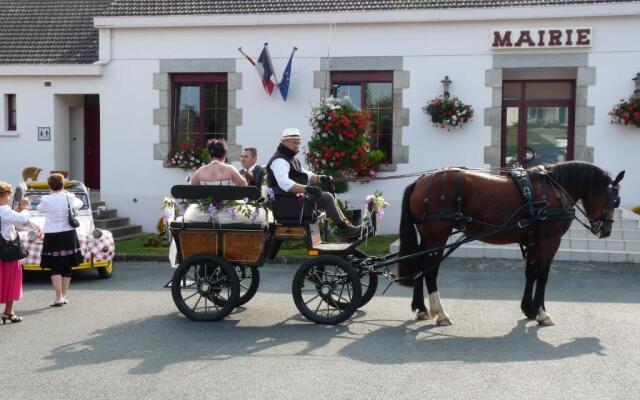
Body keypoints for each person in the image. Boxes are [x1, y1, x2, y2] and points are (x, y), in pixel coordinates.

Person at [266, 128, 361, 240]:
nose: (297, 146)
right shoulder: (279, 161)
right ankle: (345, 230)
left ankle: (346, 227)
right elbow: (285, 184)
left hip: (294, 198)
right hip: (287, 201)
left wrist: (322, 178)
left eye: (298, 143)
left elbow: (307, 175)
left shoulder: (291, 159)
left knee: (326, 197)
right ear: (284, 142)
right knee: (326, 197)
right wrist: (307, 189)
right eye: (294, 142)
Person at [37, 173, 84, 307]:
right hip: (68, 233)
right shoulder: (69, 197)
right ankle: (63, 296)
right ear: (63, 184)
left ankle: (59, 297)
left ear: (49, 185)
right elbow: (79, 204)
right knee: (67, 266)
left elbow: (39, 209)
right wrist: (67, 194)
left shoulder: (46, 199)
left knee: (55, 266)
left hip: (52, 234)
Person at [0, 181, 30, 323]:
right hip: (7, 251)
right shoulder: (4, 209)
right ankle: (8, 312)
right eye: (7, 195)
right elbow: (22, 220)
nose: (8, 198)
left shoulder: (5, 211)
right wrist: (24, 208)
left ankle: (9, 312)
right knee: (12, 281)